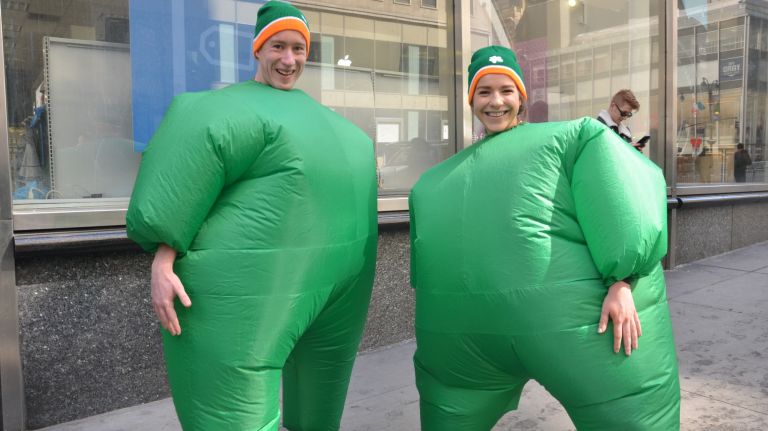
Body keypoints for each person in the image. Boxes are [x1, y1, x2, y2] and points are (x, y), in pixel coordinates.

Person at [126, 2, 377, 430]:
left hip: (330, 285)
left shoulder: (331, 126)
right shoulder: (225, 110)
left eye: (298, 49)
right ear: (257, 49)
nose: (288, 60)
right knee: (239, 408)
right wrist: (162, 262)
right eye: (278, 46)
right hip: (256, 289)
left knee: (306, 402)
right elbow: (183, 180)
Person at [409, 45, 680, 430]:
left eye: (506, 90)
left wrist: (622, 280)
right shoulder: (437, 182)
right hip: (470, 336)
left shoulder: (572, 139)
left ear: (521, 97)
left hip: (563, 325)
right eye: (484, 92)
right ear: (471, 99)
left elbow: (616, 191)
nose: (495, 101)